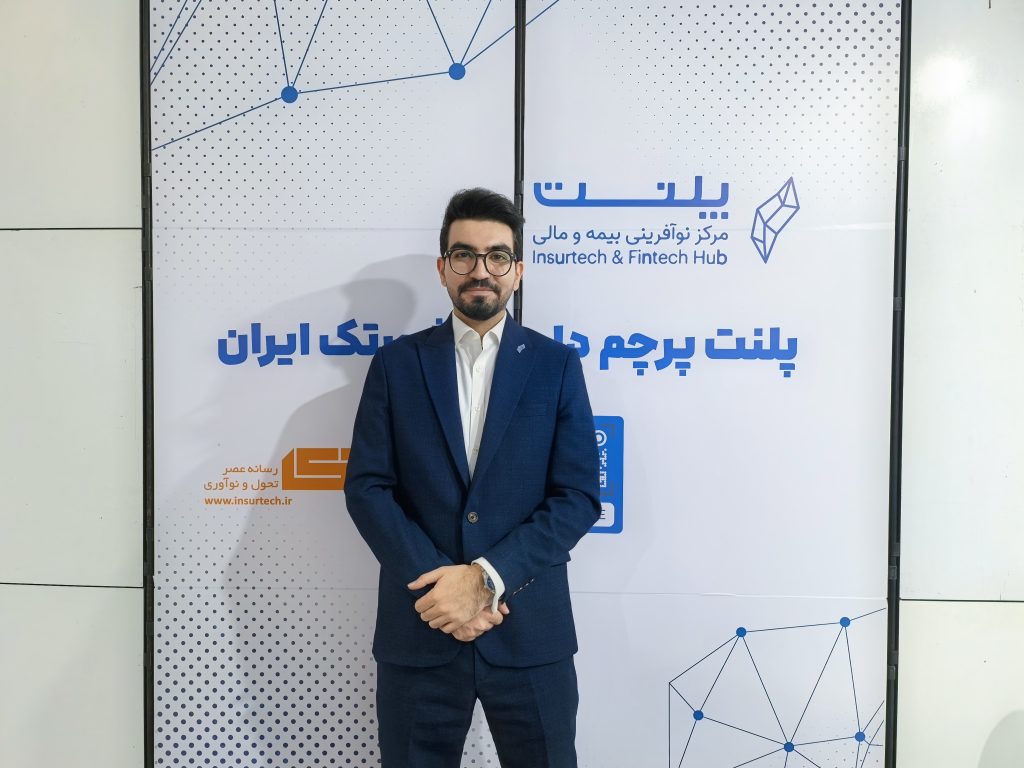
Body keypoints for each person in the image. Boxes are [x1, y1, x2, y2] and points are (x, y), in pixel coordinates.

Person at [344, 187, 601, 767]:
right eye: (464, 255)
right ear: (443, 268)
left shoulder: (556, 365)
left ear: (518, 271)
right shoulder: (396, 365)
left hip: (529, 633)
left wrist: (484, 580)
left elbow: (578, 496)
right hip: (422, 628)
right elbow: (368, 487)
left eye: (497, 256)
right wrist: (444, 590)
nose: (480, 270)